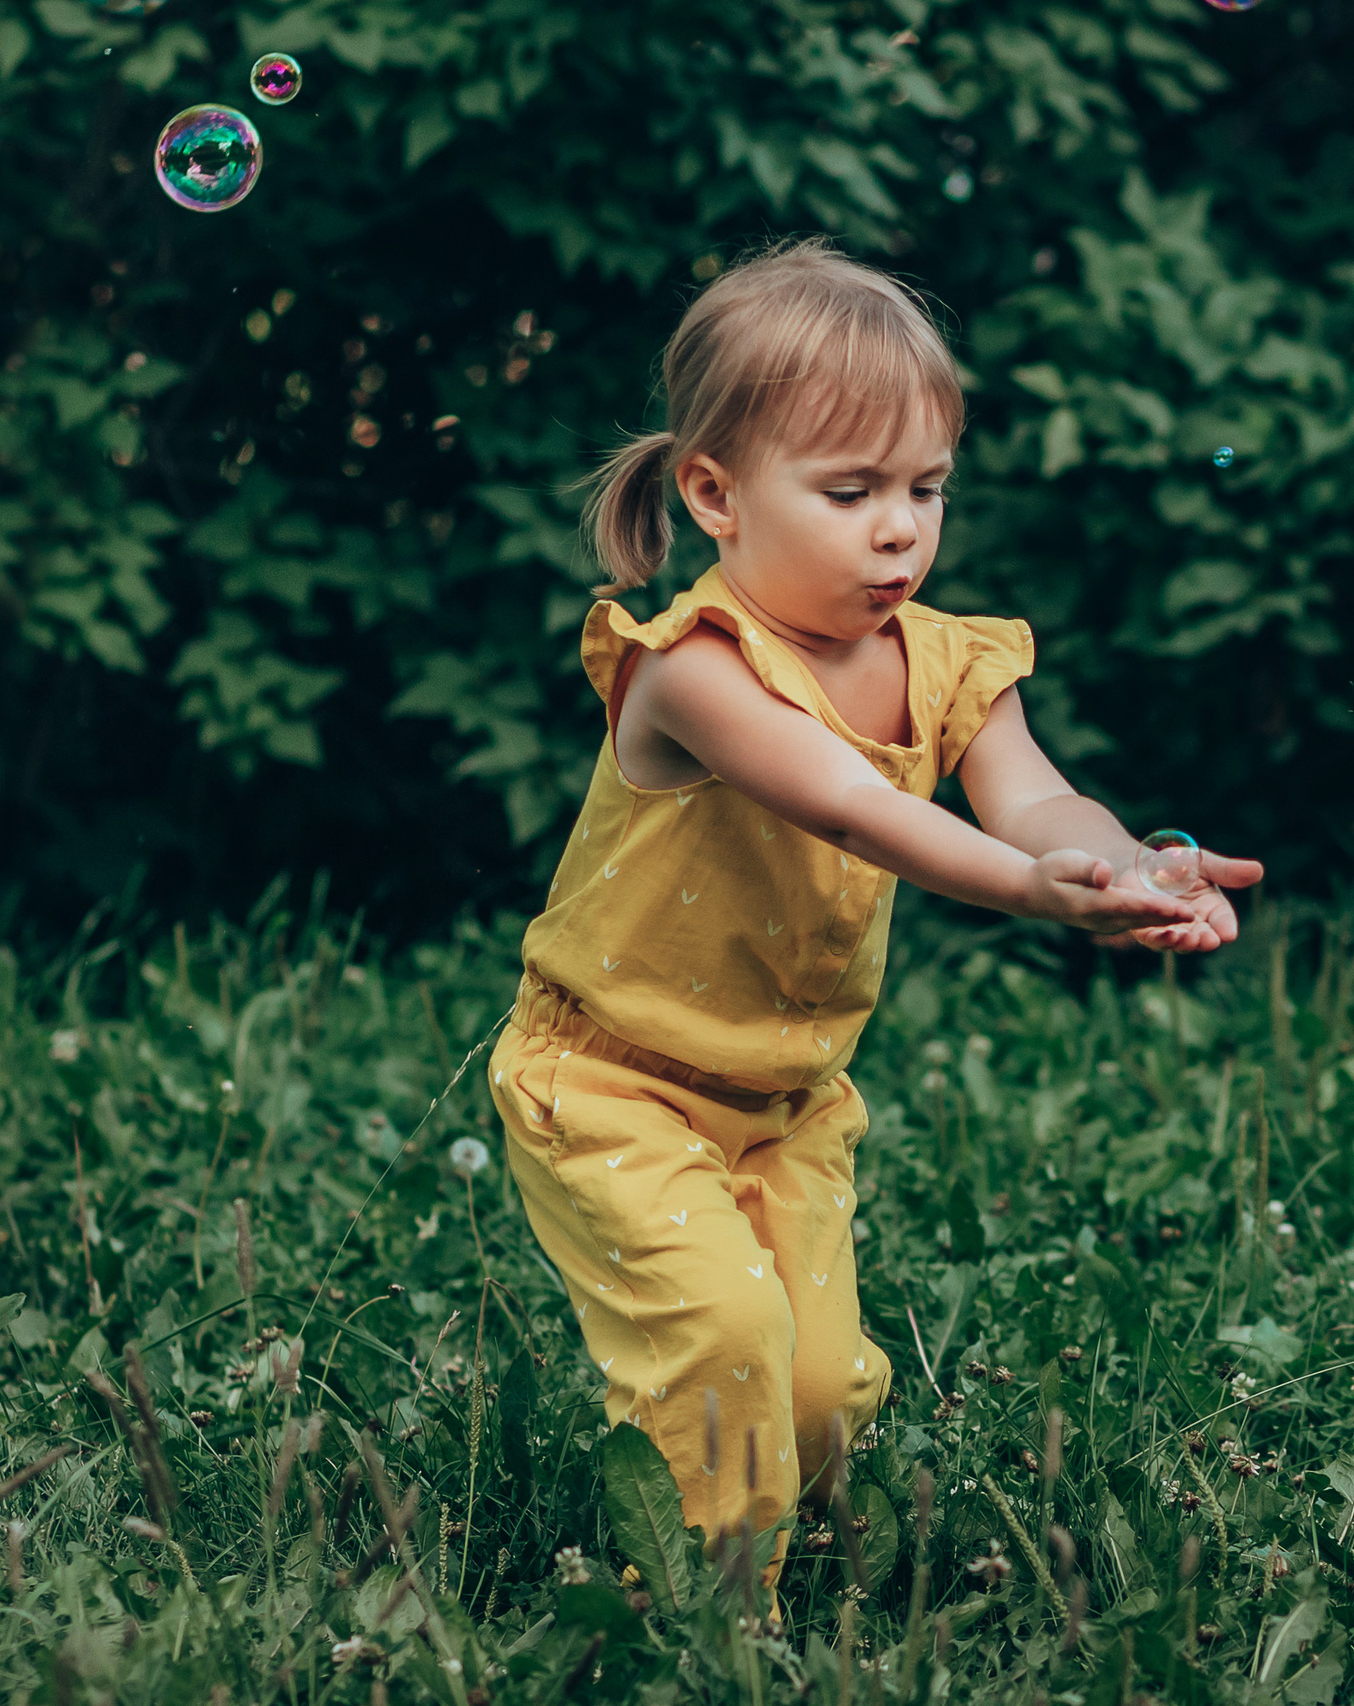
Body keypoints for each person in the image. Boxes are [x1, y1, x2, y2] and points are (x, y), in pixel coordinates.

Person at [485, 238, 1259, 1569]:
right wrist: (1027, 891)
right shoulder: (695, 671)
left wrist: (1118, 859)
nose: (901, 526)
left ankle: (773, 1530)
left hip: (787, 1103)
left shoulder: (949, 656)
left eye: (927, 487)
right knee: (724, 1347)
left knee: (822, 1387)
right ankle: (712, 1632)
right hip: (611, 1087)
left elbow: (1036, 800)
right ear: (716, 492)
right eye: (850, 491)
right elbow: (852, 805)